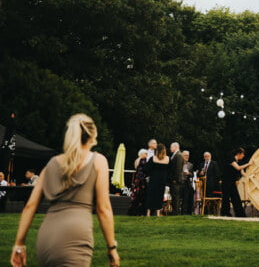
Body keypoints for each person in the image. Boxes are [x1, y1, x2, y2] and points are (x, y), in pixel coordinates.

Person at [9, 113, 119, 267]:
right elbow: (103, 209)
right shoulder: (98, 161)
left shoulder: (51, 164)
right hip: (76, 236)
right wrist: (111, 247)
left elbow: (30, 206)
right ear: (93, 135)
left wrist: (19, 244)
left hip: (46, 238)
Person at [221, 148, 252, 217]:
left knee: (236, 198)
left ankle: (240, 214)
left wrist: (250, 177)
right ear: (239, 154)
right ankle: (225, 213)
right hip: (226, 181)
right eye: (243, 154)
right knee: (226, 197)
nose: (243, 156)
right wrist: (248, 164)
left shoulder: (239, 162)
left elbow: (242, 173)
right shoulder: (231, 159)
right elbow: (238, 168)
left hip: (232, 182)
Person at [144, 143, 170, 216]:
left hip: (153, 179)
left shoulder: (153, 158)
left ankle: (148, 213)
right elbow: (170, 170)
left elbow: (146, 169)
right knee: (159, 195)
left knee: (150, 195)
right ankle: (158, 212)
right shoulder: (168, 159)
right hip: (162, 180)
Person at [129, 149, 148, 216]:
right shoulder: (141, 161)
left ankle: (136, 212)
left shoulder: (138, 160)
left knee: (137, 196)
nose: (146, 155)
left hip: (138, 180)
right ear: (141, 154)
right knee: (140, 196)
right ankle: (139, 212)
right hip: (140, 181)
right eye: (145, 154)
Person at [168, 142, 184, 215]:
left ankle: (176, 212)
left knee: (176, 196)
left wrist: (175, 179)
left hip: (176, 180)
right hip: (173, 179)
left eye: (171, 147)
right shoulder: (175, 155)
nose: (170, 149)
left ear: (175, 147)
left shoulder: (179, 155)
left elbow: (178, 168)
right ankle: (174, 210)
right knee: (174, 195)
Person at [181, 151, 195, 215]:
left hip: (187, 182)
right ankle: (184, 212)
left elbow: (192, 175)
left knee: (191, 192)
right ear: (182, 156)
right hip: (180, 182)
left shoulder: (190, 165)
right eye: (185, 155)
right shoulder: (179, 164)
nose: (187, 157)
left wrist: (189, 173)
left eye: (188, 155)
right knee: (185, 194)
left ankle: (189, 212)